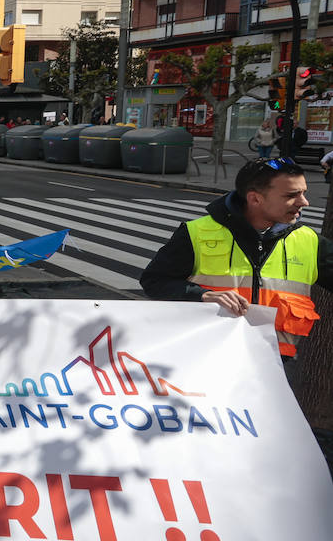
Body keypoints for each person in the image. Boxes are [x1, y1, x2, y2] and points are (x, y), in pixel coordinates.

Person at [140, 157, 333, 387]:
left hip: (275, 373)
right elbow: (154, 280)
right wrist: (201, 295)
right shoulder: (197, 233)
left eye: (303, 192)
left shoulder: (309, 241)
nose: (304, 202)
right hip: (203, 366)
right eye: (291, 195)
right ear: (255, 199)